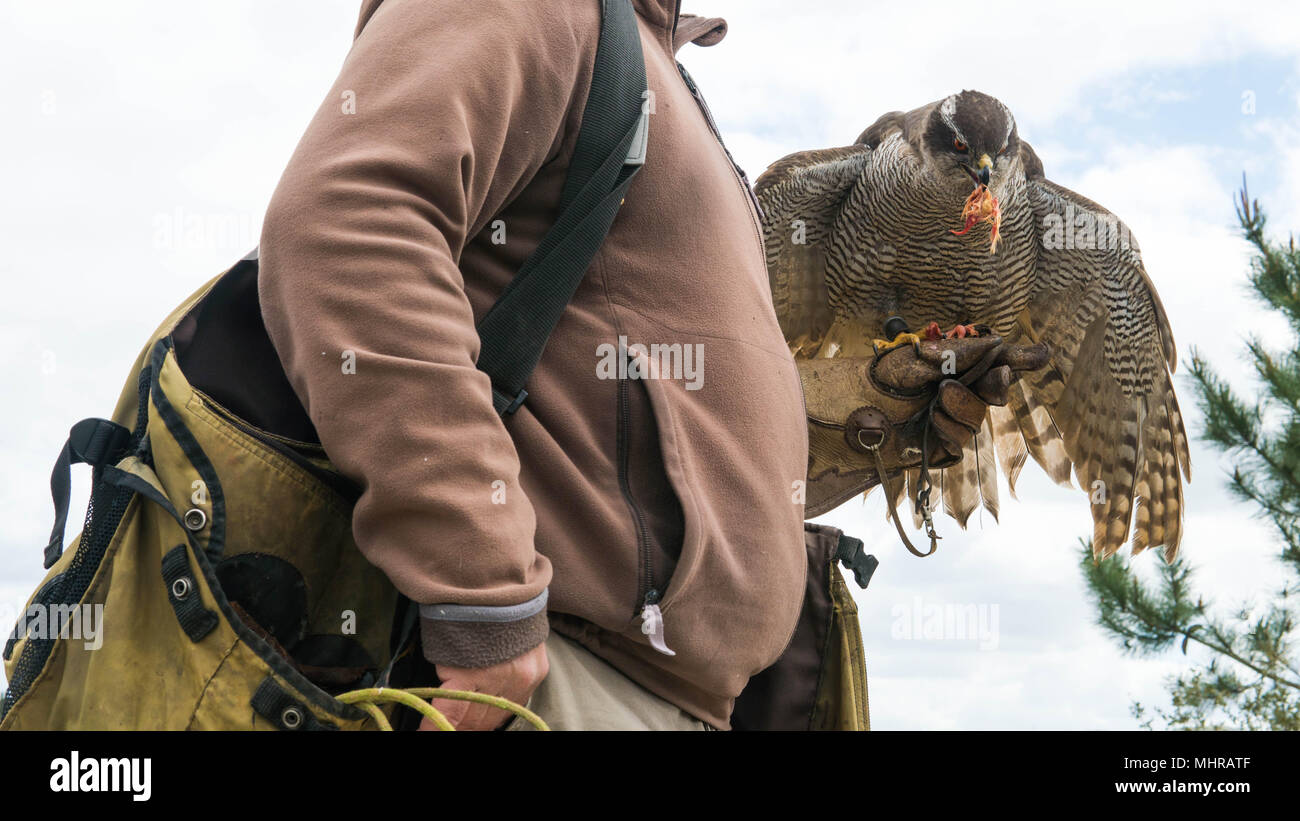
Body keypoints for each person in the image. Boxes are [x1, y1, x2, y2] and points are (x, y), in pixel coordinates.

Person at [257, 0, 1031, 731]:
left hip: (671, 692)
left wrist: (836, 439)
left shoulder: (654, 61)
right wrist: (482, 594)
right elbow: (346, 225)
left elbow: (638, 434)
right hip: (566, 674)